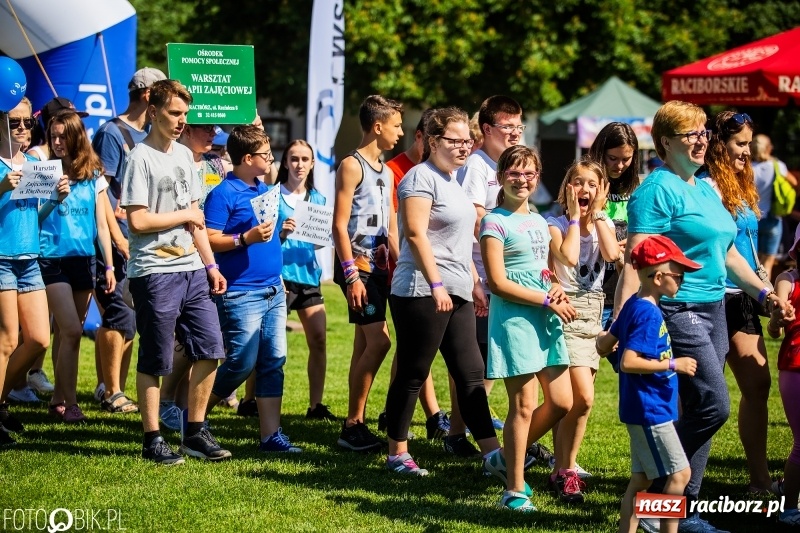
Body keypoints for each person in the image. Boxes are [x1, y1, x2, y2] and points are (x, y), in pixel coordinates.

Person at [617, 100, 792, 533]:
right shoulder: (656, 189)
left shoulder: (702, 187)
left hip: (714, 306)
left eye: (703, 134)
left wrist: (765, 291)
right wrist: (625, 320)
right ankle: (659, 484)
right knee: (714, 405)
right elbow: (637, 256)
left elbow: (728, 253)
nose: (701, 142)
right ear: (664, 142)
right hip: (679, 308)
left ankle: (676, 509)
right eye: (691, 135)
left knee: (700, 406)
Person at [385, 106, 498, 476]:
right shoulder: (420, 178)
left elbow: (460, 241)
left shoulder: (454, 180)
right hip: (421, 289)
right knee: (414, 372)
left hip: (458, 289)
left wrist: (475, 283)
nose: (464, 147)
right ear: (433, 141)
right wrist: (435, 284)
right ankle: (397, 453)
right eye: (455, 140)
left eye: (468, 140)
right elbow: (416, 234)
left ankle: (492, 454)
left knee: (471, 372)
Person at [122, 79, 229, 465]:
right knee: (156, 359)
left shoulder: (186, 156)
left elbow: (197, 220)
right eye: (174, 113)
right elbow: (137, 220)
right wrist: (184, 215)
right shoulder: (140, 157)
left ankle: (194, 433)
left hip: (193, 270)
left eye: (185, 114)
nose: (182, 121)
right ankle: (152, 440)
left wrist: (211, 264)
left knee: (211, 350)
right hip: (154, 271)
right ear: (153, 111)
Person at [480, 145, 574, 511]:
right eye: (514, 173)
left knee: (562, 401)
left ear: (537, 177)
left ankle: (504, 458)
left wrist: (554, 285)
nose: (522, 180)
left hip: (544, 315)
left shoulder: (538, 220)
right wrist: (545, 299)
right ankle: (515, 490)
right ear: (501, 177)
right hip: (515, 318)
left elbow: (543, 269)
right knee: (523, 405)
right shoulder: (493, 221)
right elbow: (498, 283)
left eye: (529, 173)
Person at [202, 125, 300, 452]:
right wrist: (245, 238)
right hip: (241, 292)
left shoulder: (264, 188)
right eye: (266, 155)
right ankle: (193, 417)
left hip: (273, 290)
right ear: (247, 158)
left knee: (273, 360)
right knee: (241, 362)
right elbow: (210, 238)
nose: (272, 160)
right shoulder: (222, 193)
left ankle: (271, 436)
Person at [597, 235, 698, 533]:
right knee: (681, 474)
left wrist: (603, 345)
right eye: (678, 276)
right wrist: (672, 364)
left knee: (641, 480)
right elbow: (629, 361)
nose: (681, 282)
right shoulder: (648, 313)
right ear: (658, 276)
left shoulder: (634, 303)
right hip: (650, 410)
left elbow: (607, 343)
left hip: (643, 408)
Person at [698, 111, 774, 495]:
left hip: (743, 297)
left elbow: (748, 248)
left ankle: (759, 481)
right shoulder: (703, 187)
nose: (747, 151)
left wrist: (767, 290)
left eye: (748, 143)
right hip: (708, 298)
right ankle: (677, 484)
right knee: (707, 398)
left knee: (758, 384)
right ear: (719, 146)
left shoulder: (743, 186)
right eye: (740, 144)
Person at [92, 67, 166, 419]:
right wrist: (118, 237)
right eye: (161, 94)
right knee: (118, 316)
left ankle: (111, 387)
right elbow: (100, 191)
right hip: (115, 238)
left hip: (140, 240)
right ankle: (112, 389)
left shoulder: (153, 134)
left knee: (131, 319)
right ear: (148, 95)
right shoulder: (111, 133)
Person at [331, 95, 401, 452]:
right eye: (396, 125)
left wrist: (402, 265)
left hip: (382, 270)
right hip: (358, 269)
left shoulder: (388, 172)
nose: (400, 133)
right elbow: (339, 226)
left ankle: (353, 423)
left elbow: (390, 226)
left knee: (364, 344)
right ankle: (353, 424)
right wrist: (351, 276)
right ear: (378, 127)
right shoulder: (351, 165)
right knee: (381, 342)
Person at [39, 111, 119, 420]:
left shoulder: (93, 172)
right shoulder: (44, 171)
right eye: (53, 136)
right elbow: (33, 219)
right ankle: (71, 404)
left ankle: (58, 400)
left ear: (76, 137)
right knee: (72, 330)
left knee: (64, 334)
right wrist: (53, 200)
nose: (57, 142)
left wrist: (109, 267)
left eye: (63, 136)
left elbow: (101, 225)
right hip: (51, 259)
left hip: (84, 261)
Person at [546, 158, 618, 503]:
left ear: (602, 190)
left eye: (592, 183)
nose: (585, 189)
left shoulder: (605, 223)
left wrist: (599, 214)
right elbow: (570, 258)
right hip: (565, 311)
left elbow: (612, 252)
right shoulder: (555, 223)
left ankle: (562, 469)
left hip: (594, 315)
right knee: (583, 399)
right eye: (578, 182)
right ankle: (567, 469)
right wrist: (576, 217)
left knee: (575, 402)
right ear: (567, 187)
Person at [0, 97, 69, 445]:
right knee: (8, 340)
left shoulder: (31, 164)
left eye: (28, 122)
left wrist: (55, 200)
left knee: (39, 338)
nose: (24, 129)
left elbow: (32, 217)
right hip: (1, 259)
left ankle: (0, 402)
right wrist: (1, 187)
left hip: (29, 258)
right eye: (15, 123)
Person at [381, 108, 451, 441]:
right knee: (412, 355)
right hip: (410, 276)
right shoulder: (399, 171)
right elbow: (399, 229)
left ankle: (406, 415)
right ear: (424, 137)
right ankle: (421, 419)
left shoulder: (447, 172)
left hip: (438, 275)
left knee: (412, 354)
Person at [457, 95, 525, 437]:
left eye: (518, 126)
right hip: (478, 275)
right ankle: (461, 429)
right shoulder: (477, 165)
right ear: (486, 129)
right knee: (477, 360)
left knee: (487, 361)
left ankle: (464, 427)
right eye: (507, 127)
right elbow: (472, 215)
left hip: (502, 274)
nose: (515, 133)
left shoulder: (507, 167)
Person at [275, 139, 336, 421]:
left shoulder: (319, 200)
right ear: (285, 162)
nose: (299, 164)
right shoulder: (272, 196)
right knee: (269, 345)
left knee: (319, 341)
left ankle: (315, 406)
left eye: (305, 159)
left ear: (313, 164)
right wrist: (281, 234)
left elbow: (320, 243)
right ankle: (251, 401)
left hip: (308, 277)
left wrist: (327, 236)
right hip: (278, 277)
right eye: (294, 158)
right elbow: (260, 240)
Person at [587, 122, 640, 329]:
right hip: (593, 287)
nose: (619, 165)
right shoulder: (587, 181)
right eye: (613, 158)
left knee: (630, 359)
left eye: (626, 159)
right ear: (601, 153)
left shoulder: (637, 186)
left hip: (627, 285)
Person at [767, 226, 800, 526]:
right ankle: (790, 508)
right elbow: (774, 327)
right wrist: (779, 317)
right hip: (795, 367)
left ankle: (786, 489)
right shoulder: (787, 280)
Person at [752, 133, 796, 280]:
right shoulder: (777, 166)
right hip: (772, 218)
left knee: (754, 261)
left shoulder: (747, 167)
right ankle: (764, 298)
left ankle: (752, 295)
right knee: (768, 263)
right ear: (768, 149)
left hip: (752, 218)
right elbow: (794, 182)